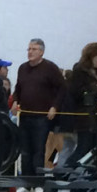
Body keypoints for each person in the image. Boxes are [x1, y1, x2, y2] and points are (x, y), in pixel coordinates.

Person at [12, 38, 64, 181]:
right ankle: (26, 182)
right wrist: (15, 101)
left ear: (41, 51)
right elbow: (18, 88)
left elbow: (61, 88)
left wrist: (55, 107)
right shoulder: (22, 68)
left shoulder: (50, 68)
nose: (30, 52)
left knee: (38, 150)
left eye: (33, 49)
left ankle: (38, 182)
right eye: (28, 49)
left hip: (42, 117)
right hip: (25, 115)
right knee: (25, 151)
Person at [56, 43, 97, 165]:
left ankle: (83, 175)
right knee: (83, 148)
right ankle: (64, 172)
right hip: (84, 116)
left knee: (93, 149)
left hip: (95, 115)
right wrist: (96, 87)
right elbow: (76, 91)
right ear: (91, 56)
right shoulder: (79, 70)